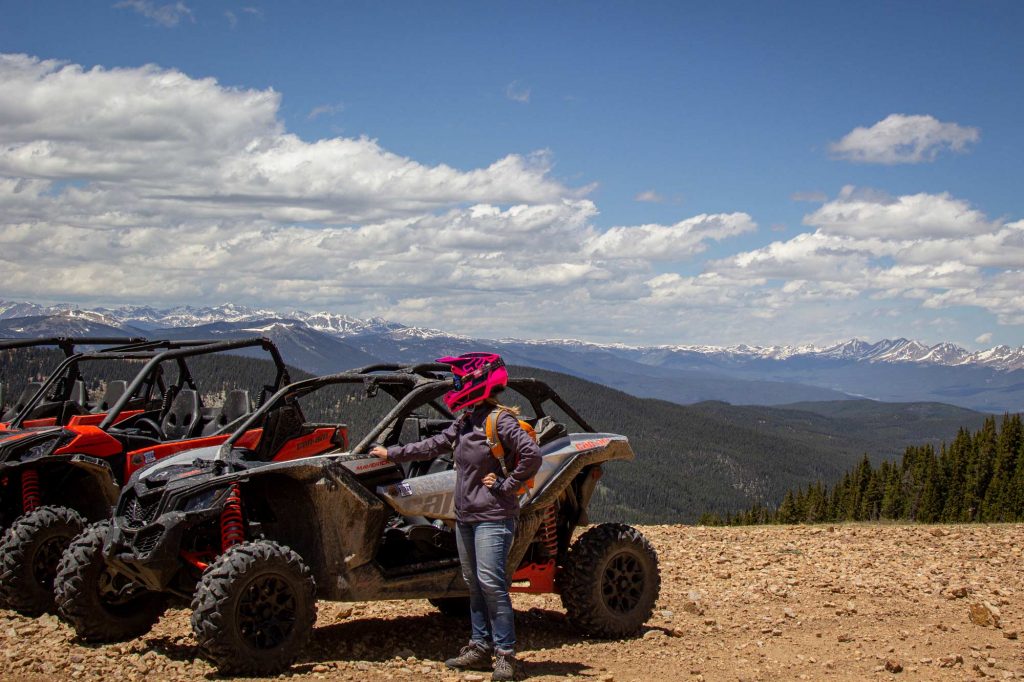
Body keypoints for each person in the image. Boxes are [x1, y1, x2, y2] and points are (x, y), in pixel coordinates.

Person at [370, 352, 542, 682]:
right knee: (474, 586)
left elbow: (532, 455)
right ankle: (479, 647)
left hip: (494, 517)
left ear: (477, 383)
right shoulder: (466, 420)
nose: (457, 387)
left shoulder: (499, 420)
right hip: (466, 517)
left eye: (461, 381)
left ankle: (505, 655)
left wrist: (507, 485)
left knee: (492, 585)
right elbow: (434, 445)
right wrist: (392, 453)